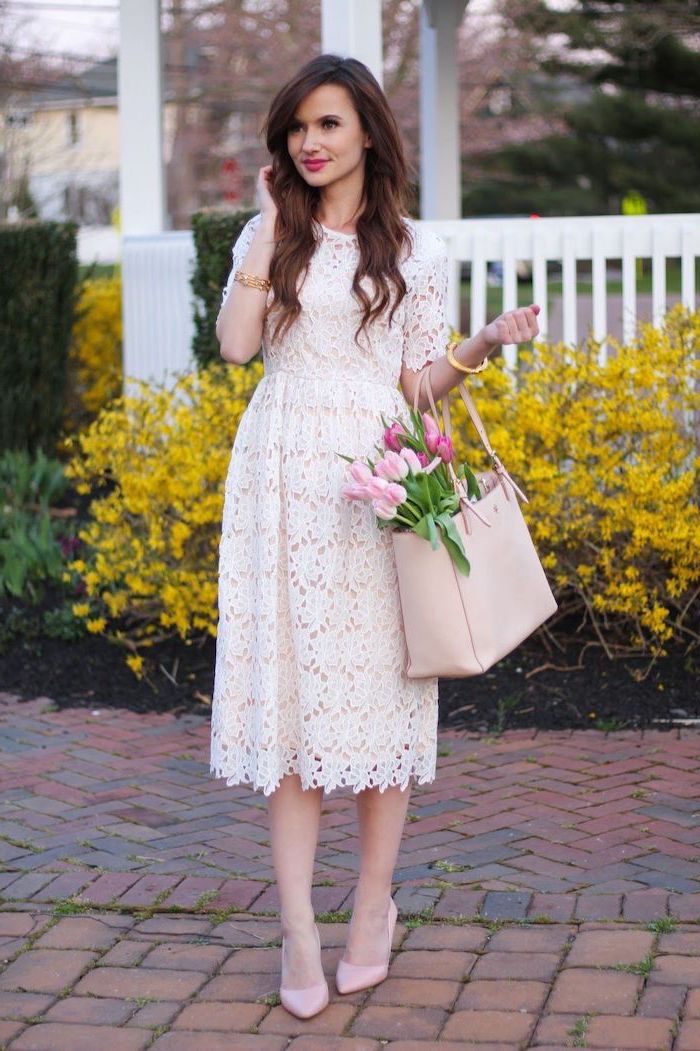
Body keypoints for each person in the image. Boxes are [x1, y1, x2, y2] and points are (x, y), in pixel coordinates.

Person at [210, 53, 539, 1020]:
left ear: (366, 137)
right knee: (293, 704)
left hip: (377, 483)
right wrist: (270, 230)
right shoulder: (272, 234)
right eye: (299, 129)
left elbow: (416, 383)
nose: (311, 144)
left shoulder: (414, 250)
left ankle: (370, 909)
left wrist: (479, 347)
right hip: (279, 484)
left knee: (380, 699)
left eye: (329, 126)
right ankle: (297, 928)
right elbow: (235, 346)